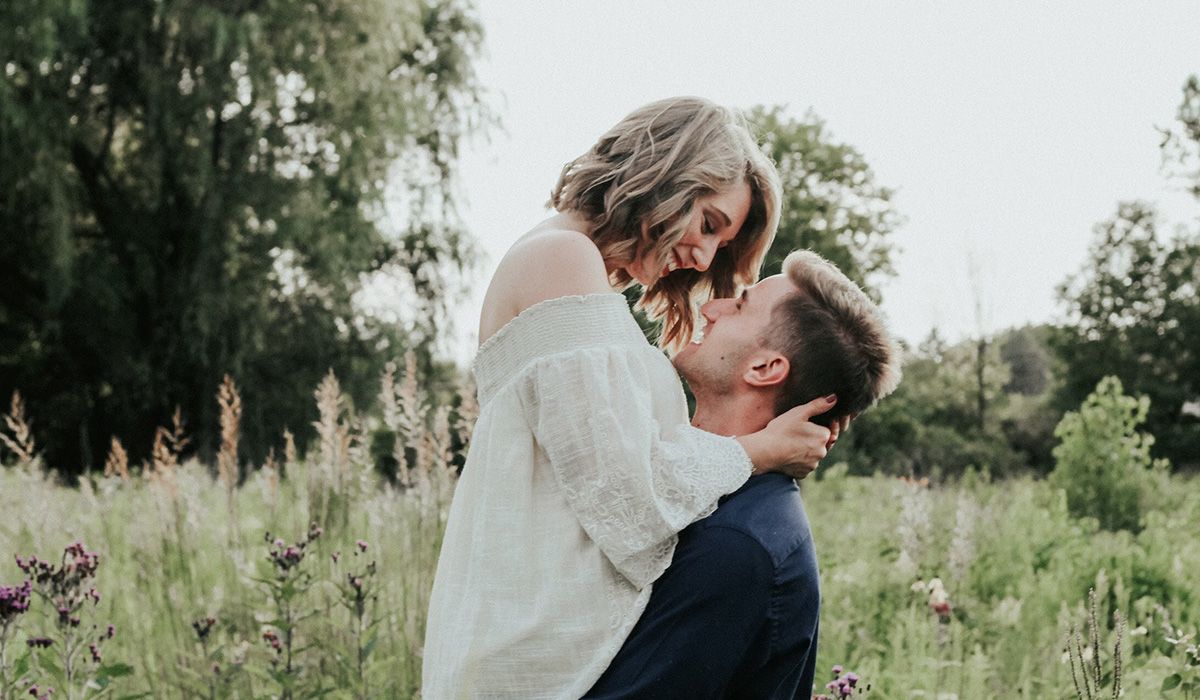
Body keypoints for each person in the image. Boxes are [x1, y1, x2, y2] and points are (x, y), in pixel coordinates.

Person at [422, 97, 848, 698]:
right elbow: (627, 504)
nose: (703, 258)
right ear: (667, 174)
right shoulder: (561, 258)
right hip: (534, 653)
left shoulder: (573, 263)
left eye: (719, 244)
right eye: (708, 224)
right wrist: (760, 449)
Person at [586, 250, 900, 699]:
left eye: (739, 305)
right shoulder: (700, 491)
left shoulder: (737, 545)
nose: (710, 307)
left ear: (765, 368)